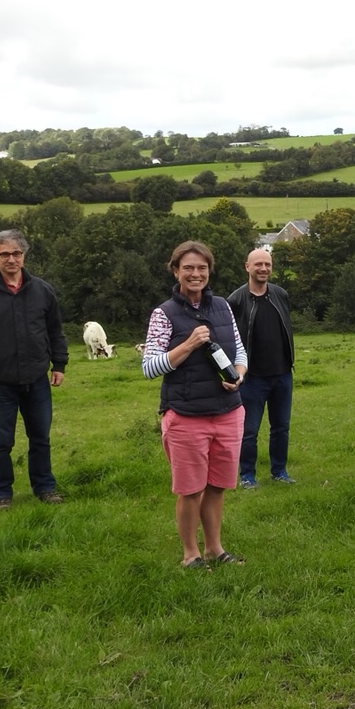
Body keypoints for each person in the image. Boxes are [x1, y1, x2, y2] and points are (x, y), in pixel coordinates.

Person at [142, 241, 248, 568]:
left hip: (228, 411)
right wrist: (187, 345)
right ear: (176, 271)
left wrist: (239, 375)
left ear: (209, 271)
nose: (195, 274)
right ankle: (191, 554)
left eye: (201, 268)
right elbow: (149, 367)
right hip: (186, 415)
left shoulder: (223, 307)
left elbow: (240, 352)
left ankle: (216, 548)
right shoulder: (164, 314)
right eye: (188, 267)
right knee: (190, 490)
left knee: (217, 487)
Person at [0, 229, 69, 510]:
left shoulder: (43, 291)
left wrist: (59, 364)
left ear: (24, 255)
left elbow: (55, 331)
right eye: (5, 254)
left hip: (36, 379)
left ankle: (45, 488)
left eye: (17, 253)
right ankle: (0, 494)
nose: (11, 259)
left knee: (40, 438)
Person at [228, 247, 295, 488]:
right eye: (258, 264)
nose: (263, 269)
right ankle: (247, 476)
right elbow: (230, 338)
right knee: (249, 431)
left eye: (267, 264)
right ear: (247, 267)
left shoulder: (280, 295)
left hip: (282, 375)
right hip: (251, 378)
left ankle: (280, 471)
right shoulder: (235, 300)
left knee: (281, 427)